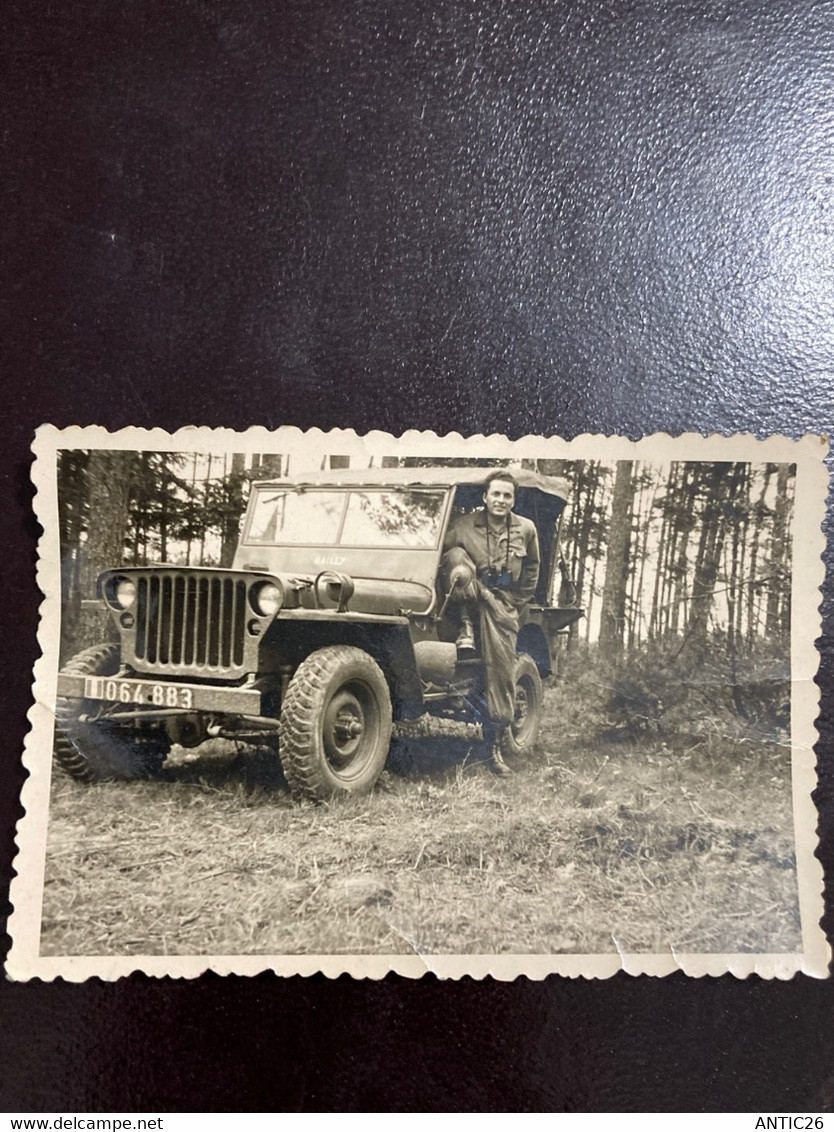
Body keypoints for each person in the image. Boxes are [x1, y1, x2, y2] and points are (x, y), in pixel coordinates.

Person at [442, 470, 540, 776]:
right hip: (468, 600)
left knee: (501, 674)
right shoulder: (462, 525)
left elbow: (533, 567)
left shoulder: (526, 529)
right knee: (457, 558)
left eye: (506, 495)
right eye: (495, 494)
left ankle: (493, 748)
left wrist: (516, 602)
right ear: (485, 497)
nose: (500, 500)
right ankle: (465, 625)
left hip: (503, 606)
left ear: (513, 500)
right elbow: (441, 556)